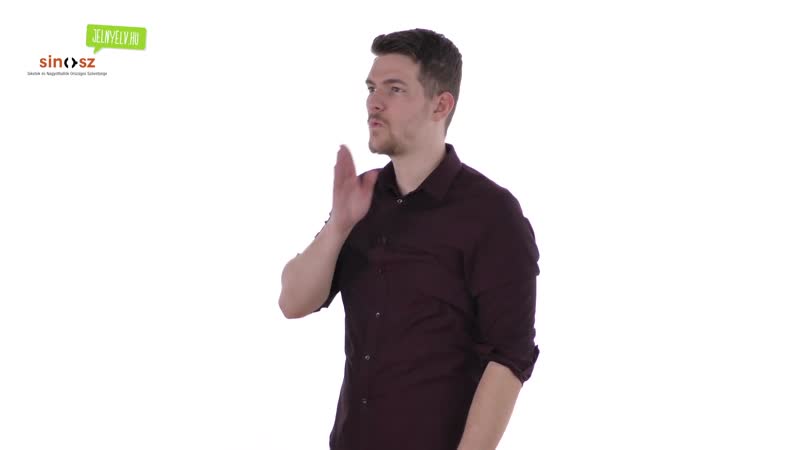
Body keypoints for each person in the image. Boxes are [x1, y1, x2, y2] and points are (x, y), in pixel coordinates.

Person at [278, 28, 541, 450]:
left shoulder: (492, 215)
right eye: (371, 88)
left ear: (441, 105)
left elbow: (509, 358)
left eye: (395, 89)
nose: (374, 102)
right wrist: (339, 225)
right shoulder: (361, 199)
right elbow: (293, 302)